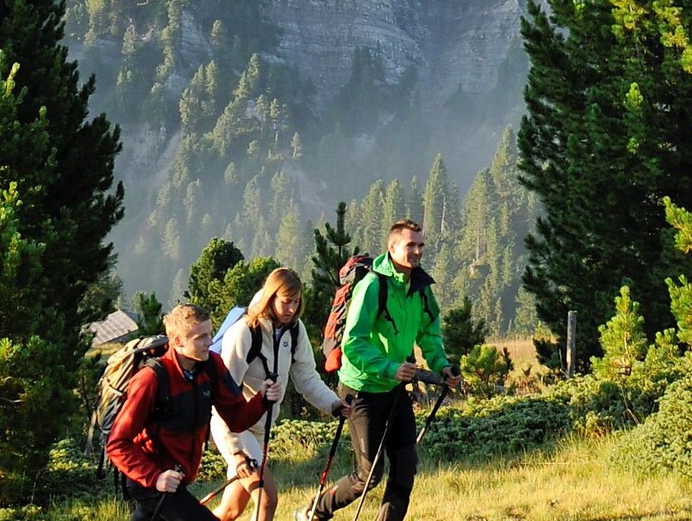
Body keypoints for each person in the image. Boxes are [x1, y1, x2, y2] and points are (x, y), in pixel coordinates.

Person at [299, 219, 461, 521]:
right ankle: (315, 512)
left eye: (421, 245)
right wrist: (389, 368)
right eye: (410, 245)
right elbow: (353, 343)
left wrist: (442, 366)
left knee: (406, 467)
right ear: (392, 247)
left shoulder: (420, 288)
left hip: (394, 387)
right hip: (362, 389)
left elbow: (429, 334)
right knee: (368, 476)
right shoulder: (372, 286)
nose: (417, 251)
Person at [107, 302, 281, 521]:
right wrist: (155, 478)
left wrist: (262, 399)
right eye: (201, 337)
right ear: (178, 342)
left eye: (210, 333)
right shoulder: (151, 380)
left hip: (175, 480)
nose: (210, 341)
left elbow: (236, 420)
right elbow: (117, 443)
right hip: (152, 482)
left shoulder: (211, 366)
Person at [211, 267, 351, 521]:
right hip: (235, 428)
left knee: (230, 510)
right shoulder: (244, 332)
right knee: (266, 499)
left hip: (260, 429)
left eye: (296, 302)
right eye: (286, 301)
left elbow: (306, 378)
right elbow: (223, 397)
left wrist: (334, 404)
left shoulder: (295, 330)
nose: (291, 309)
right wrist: (236, 451)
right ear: (270, 296)